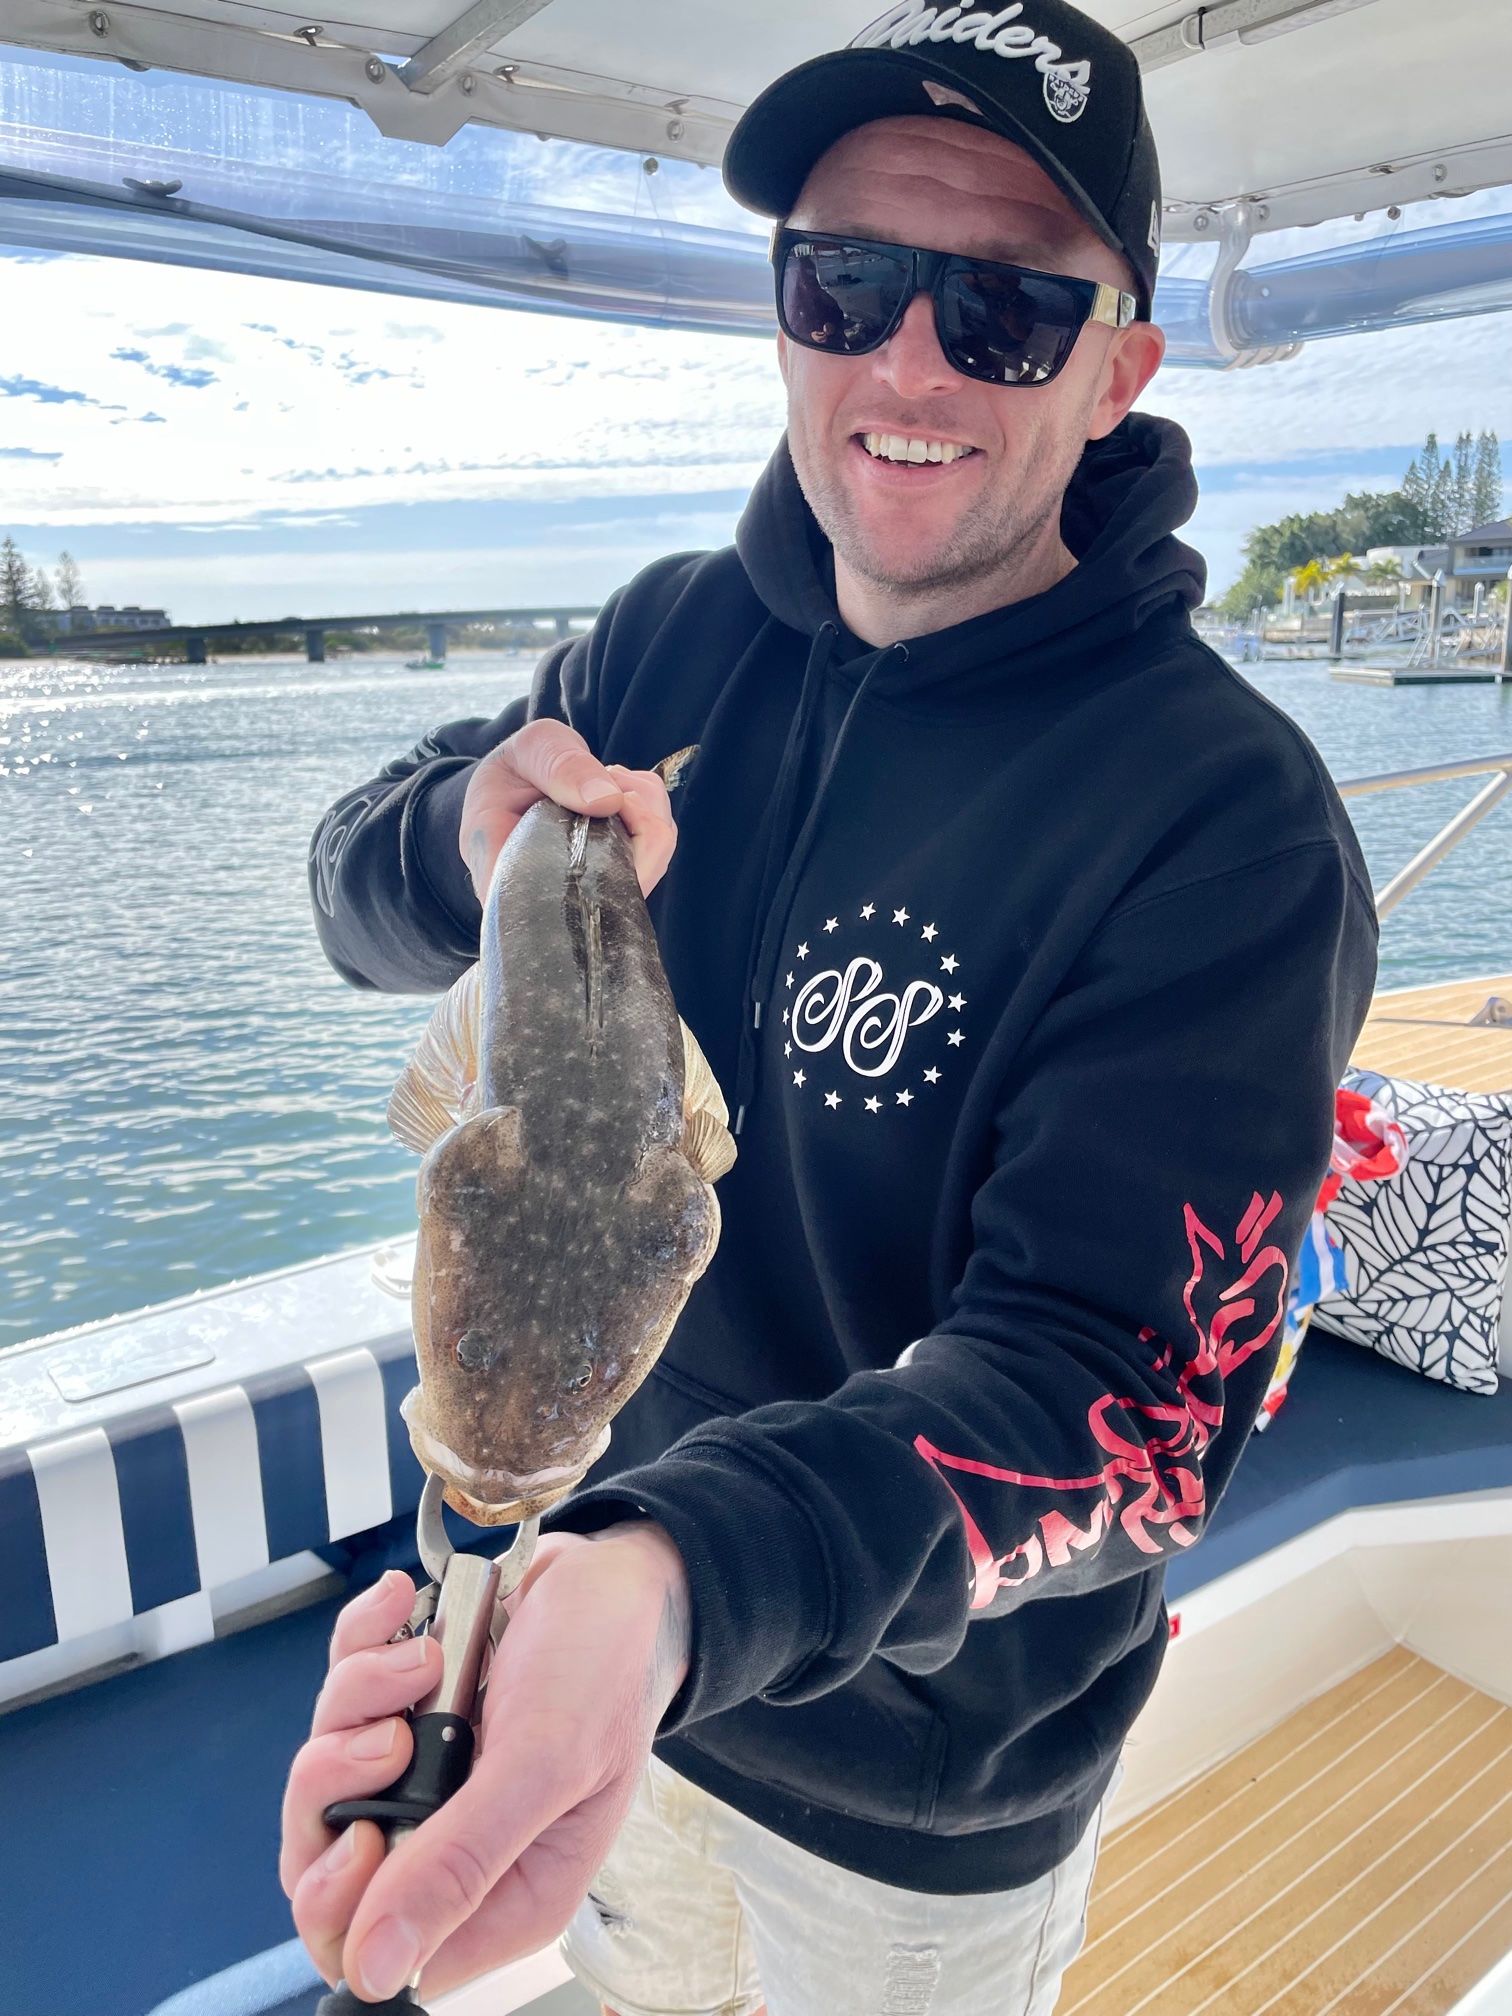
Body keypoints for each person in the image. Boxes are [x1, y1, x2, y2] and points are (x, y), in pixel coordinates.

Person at [284, 3, 1377, 2010]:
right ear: (784, 311)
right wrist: (474, 841)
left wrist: (678, 1588)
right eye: (848, 279)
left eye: (1008, 313)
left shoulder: (1226, 829)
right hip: (586, 1618)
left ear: (1121, 365)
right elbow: (351, 885)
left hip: (912, 1780)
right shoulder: (664, 645)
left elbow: (1127, 1401)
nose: (906, 362)